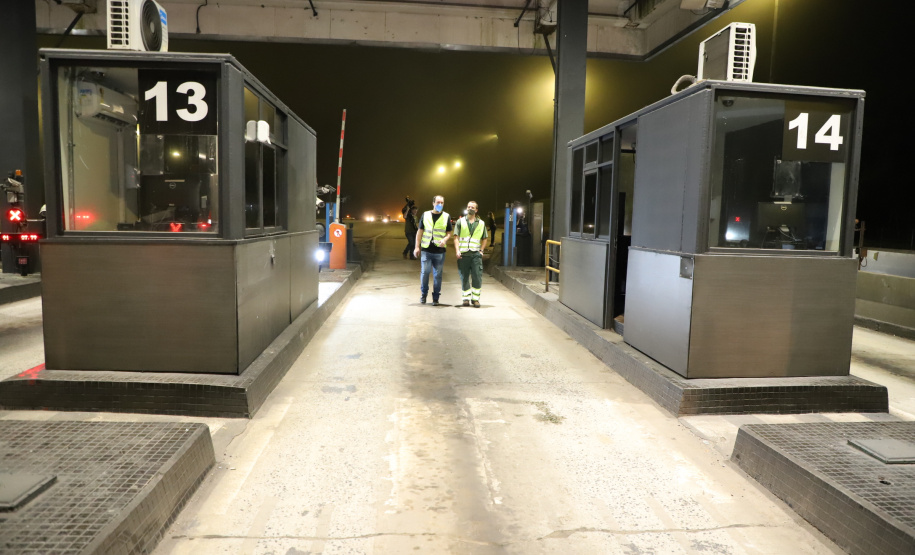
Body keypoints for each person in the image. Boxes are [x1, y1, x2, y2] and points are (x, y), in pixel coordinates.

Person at [414, 195, 452, 305]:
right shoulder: (425, 215)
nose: (440, 204)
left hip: (439, 252)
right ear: (433, 203)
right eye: (438, 202)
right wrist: (417, 247)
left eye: (442, 203)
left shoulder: (446, 216)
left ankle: (436, 297)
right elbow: (420, 232)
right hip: (426, 250)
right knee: (425, 273)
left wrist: (445, 239)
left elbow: (449, 233)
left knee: (438, 275)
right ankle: (423, 294)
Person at [454, 200, 489, 307]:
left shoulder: (481, 223)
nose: (470, 209)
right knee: (464, 276)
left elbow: (485, 238)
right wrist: (457, 250)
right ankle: (465, 298)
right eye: (469, 207)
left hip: (475, 255)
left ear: (476, 210)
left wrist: (481, 251)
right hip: (464, 255)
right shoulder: (460, 222)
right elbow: (456, 237)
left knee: (477, 276)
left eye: (472, 207)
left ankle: (475, 299)